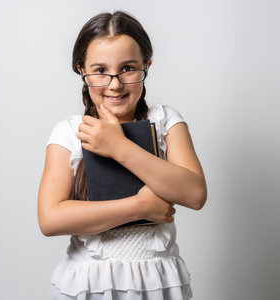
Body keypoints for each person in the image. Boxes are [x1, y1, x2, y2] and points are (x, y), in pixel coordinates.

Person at [37, 11, 207, 300]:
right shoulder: (68, 132)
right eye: (100, 70)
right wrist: (139, 207)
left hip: (158, 281)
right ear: (82, 70)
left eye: (127, 68)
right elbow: (50, 219)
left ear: (146, 66)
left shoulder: (166, 120)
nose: (114, 84)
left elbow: (194, 194)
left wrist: (119, 147)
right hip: (89, 284)